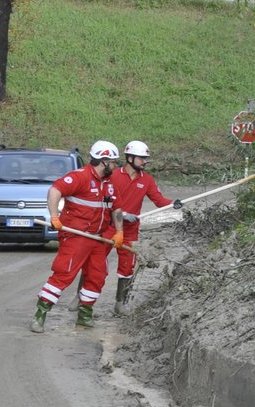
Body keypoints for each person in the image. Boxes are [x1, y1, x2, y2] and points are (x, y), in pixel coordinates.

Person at [32, 140, 123, 332]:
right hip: (77, 236)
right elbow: (55, 191)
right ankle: (40, 315)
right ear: (104, 161)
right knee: (64, 274)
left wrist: (119, 231)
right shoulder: (79, 177)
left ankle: (84, 315)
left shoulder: (110, 183)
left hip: (98, 238)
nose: (116, 166)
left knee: (97, 276)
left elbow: (116, 209)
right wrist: (55, 215)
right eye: (114, 162)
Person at [108, 140, 181, 314]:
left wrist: (173, 204)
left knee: (127, 267)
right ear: (130, 158)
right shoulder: (113, 176)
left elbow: (159, 200)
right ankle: (82, 300)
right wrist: (124, 214)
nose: (145, 162)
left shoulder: (147, 180)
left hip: (130, 231)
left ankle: (120, 304)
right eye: (142, 158)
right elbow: (105, 201)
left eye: (145, 158)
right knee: (95, 263)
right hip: (108, 226)